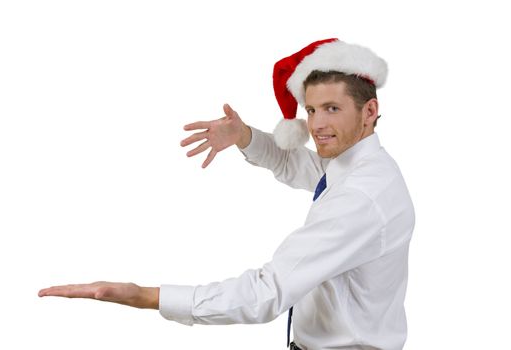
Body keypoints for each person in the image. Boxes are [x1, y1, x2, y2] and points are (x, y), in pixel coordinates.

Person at [39, 38, 415, 350]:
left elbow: (268, 292)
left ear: (369, 111)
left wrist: (145, 297)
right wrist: (245, 137)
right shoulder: (359, 166)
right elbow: (301, 167)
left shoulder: (362, 197)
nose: (316, 125)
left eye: (332, 108)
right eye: (312, 109)